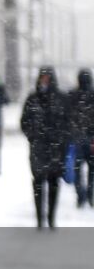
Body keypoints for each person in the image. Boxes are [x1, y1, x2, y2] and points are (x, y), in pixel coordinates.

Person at [20, 67, 70, 229]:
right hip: (38, 148)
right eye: (43, 78)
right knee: (38, 182)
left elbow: (68, 122)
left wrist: (61, 139)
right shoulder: (33, 99)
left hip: (56, 148)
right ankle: (39, 218)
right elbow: (24, 121)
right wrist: (33, 136)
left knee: (53, 182)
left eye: (48, 78)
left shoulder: (61, 99)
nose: (45, 81)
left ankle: (51, 218)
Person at [68, 69, 94, 207]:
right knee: (91, 170)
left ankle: (81, 196)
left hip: (76, 138)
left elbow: (68, 117)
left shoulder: (72, 95)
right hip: (91, 139)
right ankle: (90, 195)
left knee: (77, 169)